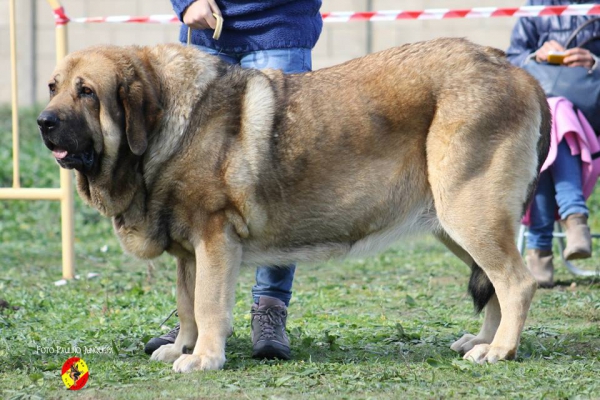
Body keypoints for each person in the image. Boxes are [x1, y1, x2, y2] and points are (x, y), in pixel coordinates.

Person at [144, 0, 323, 360]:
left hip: (280, 29)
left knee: (276, 183)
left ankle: (270, 309)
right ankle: (192, 322)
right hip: (205, 34)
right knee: (193, 194)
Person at [506, 0, 600, 287]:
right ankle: (575, 220)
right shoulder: (536, 6)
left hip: (591, 117)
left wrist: (595, 62)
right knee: (553, 117)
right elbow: (511, 59)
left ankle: (539, 248)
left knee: (550, 121)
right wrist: (536, 55)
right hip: (545, 114)